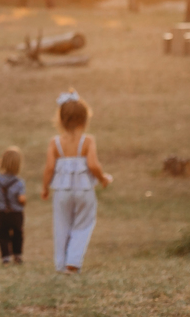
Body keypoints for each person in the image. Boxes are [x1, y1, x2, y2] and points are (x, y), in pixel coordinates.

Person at [41, 90, 112, 274]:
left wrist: (45, 188)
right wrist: (103, 178)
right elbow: (93, 165)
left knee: (61, 224)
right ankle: (73, 262)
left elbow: (49, 168)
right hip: (84, 190)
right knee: (84, 223)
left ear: (61, 119)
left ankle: (61, 264)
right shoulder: (87, 141)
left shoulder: (55, 142)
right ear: (84, 118)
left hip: (62, 191)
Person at [0, 146, 26, 265]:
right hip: (17, 213)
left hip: (2, 213)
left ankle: (5, 257)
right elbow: (21, 199)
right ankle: (17, 255)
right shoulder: (19, 182)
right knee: (17, 234)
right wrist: (23, 202)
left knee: (2, 235)